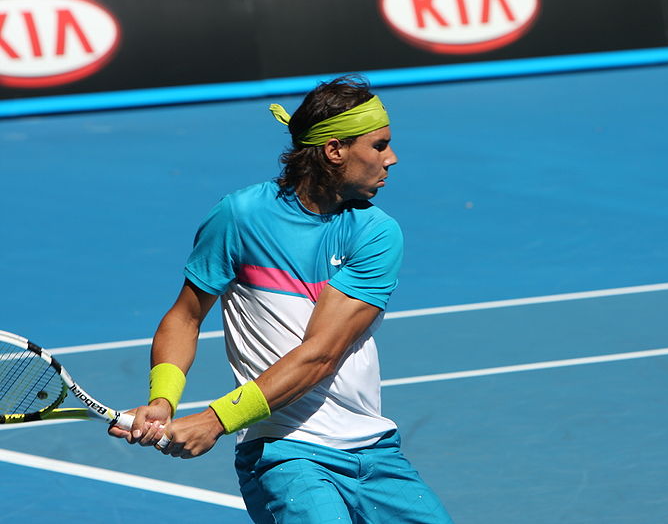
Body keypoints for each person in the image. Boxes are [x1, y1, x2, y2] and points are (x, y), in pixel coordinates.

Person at [109, 75, 453, 524]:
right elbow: (186, 317)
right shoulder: (239, 217)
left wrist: (214, 419)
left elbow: (320, 355)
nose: (391, 158)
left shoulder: (375, 234)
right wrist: (163, 400)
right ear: (335, 151)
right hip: (285, 453)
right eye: (379, 145)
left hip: (373, 449)